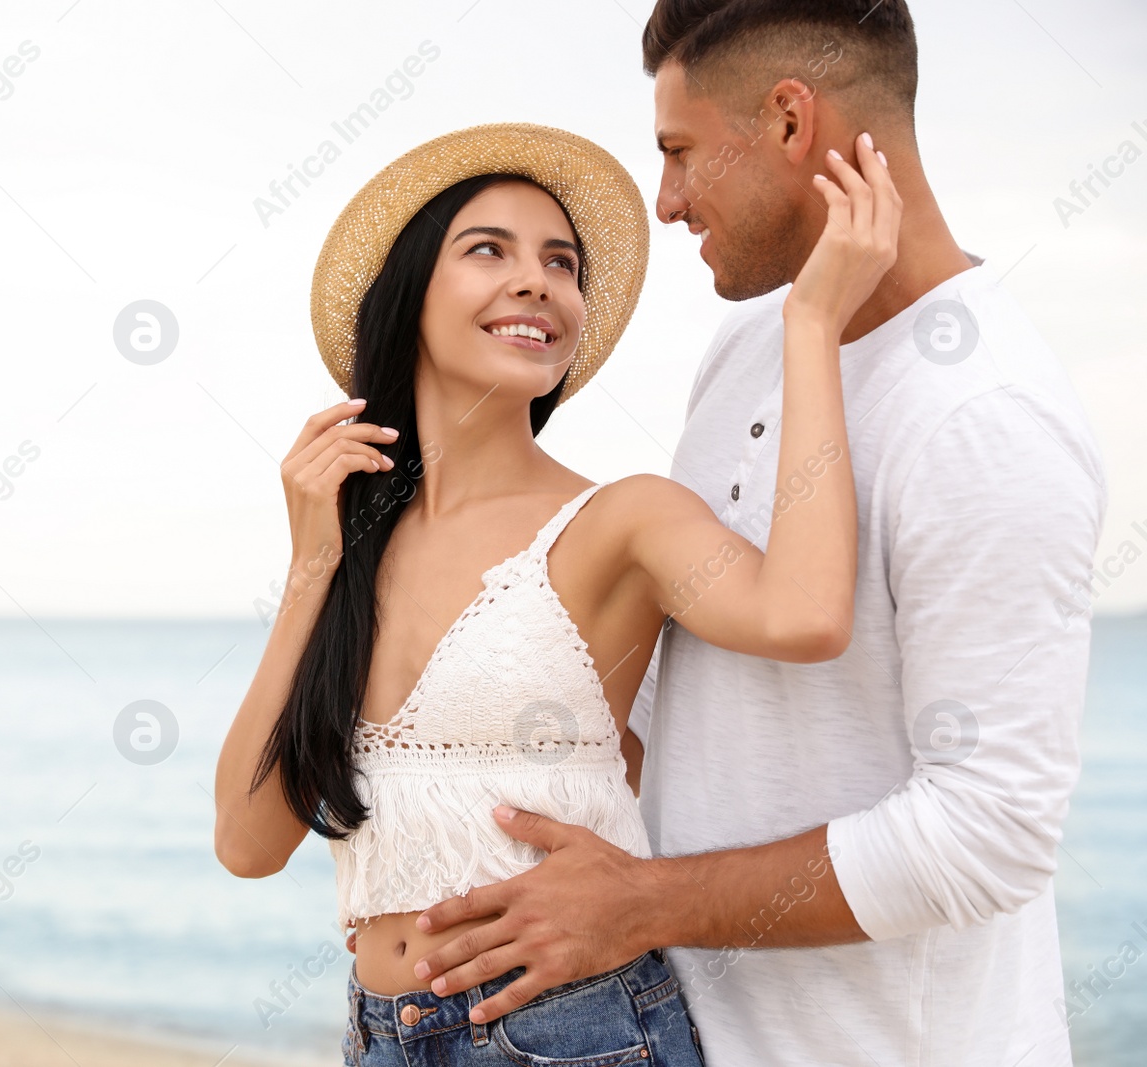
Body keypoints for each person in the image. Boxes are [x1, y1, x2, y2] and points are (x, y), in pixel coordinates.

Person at [406, 5, 1108, 1067]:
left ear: (788, 121)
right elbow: (671, 703)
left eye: (680, 153)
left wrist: (639, 902)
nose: (666, 201)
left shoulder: (985, 417)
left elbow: (987, 835)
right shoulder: (750, 343)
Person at [214, 121, 899, 1065]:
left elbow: (807, 614)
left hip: (573, 1030)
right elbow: (248, 843)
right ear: (409, 293)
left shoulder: (621, 521)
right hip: (380, 1037)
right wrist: (309, 570)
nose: (539, 280)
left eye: (562, 262)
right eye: (488, 249)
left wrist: (811, 323)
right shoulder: (353, 549)